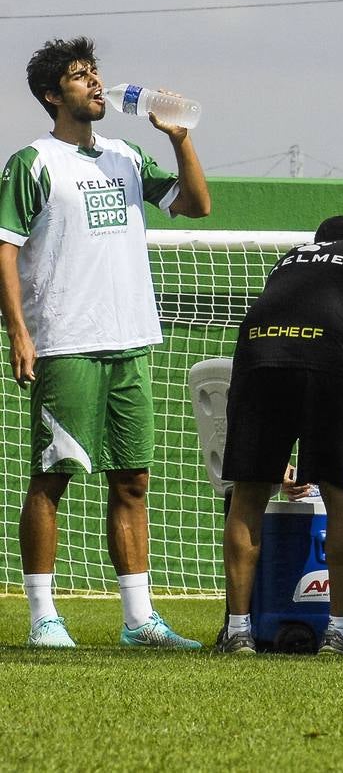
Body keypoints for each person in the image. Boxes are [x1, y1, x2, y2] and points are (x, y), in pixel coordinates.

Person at [1, 37, 212, 649]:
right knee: (55, 475)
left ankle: (138, 619)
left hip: (131, 343)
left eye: (95, 73)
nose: (95, 83)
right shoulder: (31, 162)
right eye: (77, 76)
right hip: (65, 342)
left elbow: (196, 204)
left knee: (133, 481)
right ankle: (43, 616)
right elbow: (5, 248)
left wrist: (178, 136)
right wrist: (19, 330)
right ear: (51, 95)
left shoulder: (125, 153)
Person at [216, 216, 343, 657]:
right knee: (342, 497)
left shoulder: (291, 259)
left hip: (256, 357)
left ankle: (239, 631)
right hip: (326, 363)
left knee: (248, 496)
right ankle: (339, 633)